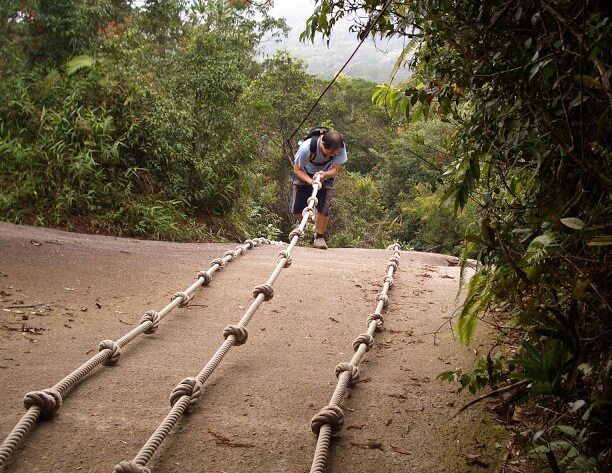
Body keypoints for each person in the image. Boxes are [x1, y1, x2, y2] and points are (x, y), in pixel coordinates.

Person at [291, 129, 347, 249]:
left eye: (334, 154)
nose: (332, 155)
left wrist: (324, 175)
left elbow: (335, 169)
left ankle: (319, 237)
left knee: (324, 208)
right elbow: (297, 170)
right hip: (304, 173)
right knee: (296, 209)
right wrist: (311, 181)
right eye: (329, 152)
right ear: (322, 143)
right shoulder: (306, 149)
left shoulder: (340, 148)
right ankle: (303, 225)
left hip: (325, 175)